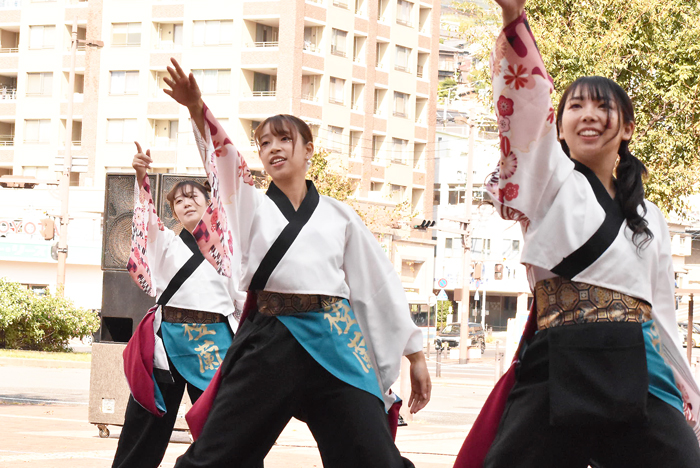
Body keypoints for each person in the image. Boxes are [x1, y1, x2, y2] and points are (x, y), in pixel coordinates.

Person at [454, 1, 700, 467]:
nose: (588, 114)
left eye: (603, 106)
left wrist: (689, 390)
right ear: (560, 127)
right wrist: (513, 20)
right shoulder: (549, 180)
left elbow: (663, 315)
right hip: (557, 360)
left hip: (640, 364)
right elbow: (527, 110)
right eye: (575, 105)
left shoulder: (651, 217)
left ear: (627, 128)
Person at [160, 57, 431, 468]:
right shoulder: (246, 204)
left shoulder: (340, 216)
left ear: (308, 149)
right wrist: (197, 110)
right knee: (216, 456)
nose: (273, 149)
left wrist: (416, 355)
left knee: (374, 457)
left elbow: (378, 284)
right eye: (264, 143)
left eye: (284, 139)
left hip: (334, 338)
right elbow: (223, 162)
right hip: (270, 338)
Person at [111, 143, 244, 468]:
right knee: (144, 427)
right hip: (167, 343)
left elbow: (243, 298)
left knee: (228, 431)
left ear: (209, 203)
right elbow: (146, 218)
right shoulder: (164, 242)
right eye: (179, 200)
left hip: (215, 344)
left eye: (193, 197)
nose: (186, 202)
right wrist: (142, 175)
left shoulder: (229, 249)